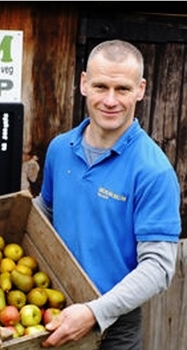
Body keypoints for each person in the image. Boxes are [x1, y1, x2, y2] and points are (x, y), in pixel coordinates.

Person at [34, 39, 181, 349]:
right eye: (101, 86)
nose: (110, 100)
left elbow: (157, 268)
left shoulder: (153, 171)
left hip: (115, 324)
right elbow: (45, 211)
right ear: (84, 83)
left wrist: (94, 312)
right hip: (49, 306)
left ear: (140, 90)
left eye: (123, 89)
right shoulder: (60, 148)